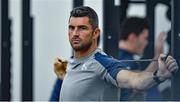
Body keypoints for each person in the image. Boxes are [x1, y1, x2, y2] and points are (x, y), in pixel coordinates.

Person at [54, 6, 178, 101]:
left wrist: (160, 75)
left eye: (82, 28)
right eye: (71, 28)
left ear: (96, 33)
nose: (75, 33)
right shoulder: (69, 64)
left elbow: (135, 80)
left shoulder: (102, 62)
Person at [118, 17, 167, 100]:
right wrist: (158, 55)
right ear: (132, 37)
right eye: (145, 38)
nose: (146, 43)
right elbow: (140, 82)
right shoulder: (124, 61)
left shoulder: (123, 57)